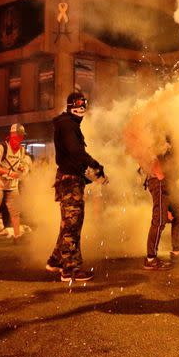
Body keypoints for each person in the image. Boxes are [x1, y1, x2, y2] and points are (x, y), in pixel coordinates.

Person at [47, 92, 107, 283]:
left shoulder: (68, 124)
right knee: (73, 224)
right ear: (71, 105)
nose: (82, 108)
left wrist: (92, 172)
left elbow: (74, 154)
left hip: (71, 179)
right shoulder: (68, 125)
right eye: (79, 104)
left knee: (68, 223)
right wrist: (95, 165)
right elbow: (75, 152)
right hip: (69, 181)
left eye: (84, 105)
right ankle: (70, 270)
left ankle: (56, 261)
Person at [142, 142, 179, 270]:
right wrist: (160, 176)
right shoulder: (156, 130)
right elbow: (146, 152)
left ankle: (177, 251)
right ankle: (150, 259)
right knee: (159, 220)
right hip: (159, 181)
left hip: (168, 181)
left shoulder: (169, 131)